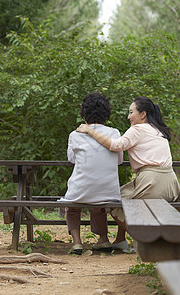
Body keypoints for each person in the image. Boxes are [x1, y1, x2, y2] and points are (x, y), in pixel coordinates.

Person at [76, 96, 180, 251]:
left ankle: (147, 237)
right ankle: (120, 239)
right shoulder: (158, 130)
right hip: (171, 183)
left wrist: (89, 130)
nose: (128, 116)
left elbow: (115, 145)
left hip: (151, 182)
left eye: (131, 112)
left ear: (143, 114)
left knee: (112, 203)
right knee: (123, 196)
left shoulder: (137, 129)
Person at [60, 91, 123, 255]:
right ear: (106, 113)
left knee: (72, 207)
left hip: (81, 189)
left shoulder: (75, 134)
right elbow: (119, 161)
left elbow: (72, 159)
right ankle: (103, 239)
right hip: (109, 192)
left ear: (84, 112)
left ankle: (76, 243)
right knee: (98, 206)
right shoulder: (115, 133)